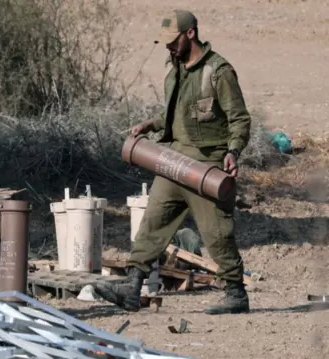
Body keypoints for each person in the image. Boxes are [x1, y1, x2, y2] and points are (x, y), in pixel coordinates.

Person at [96, 9, 251, 315]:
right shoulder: (175, 71)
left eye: (172, 40)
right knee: (152, 223)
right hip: (174, 161)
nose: (168, 47)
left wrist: (233, 151)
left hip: (206, 168)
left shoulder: (218, 72)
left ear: (190, 34)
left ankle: (236, 293)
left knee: (217, 234)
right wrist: (149, 125)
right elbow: (174, 114)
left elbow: (239, 119)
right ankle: (132, 287)